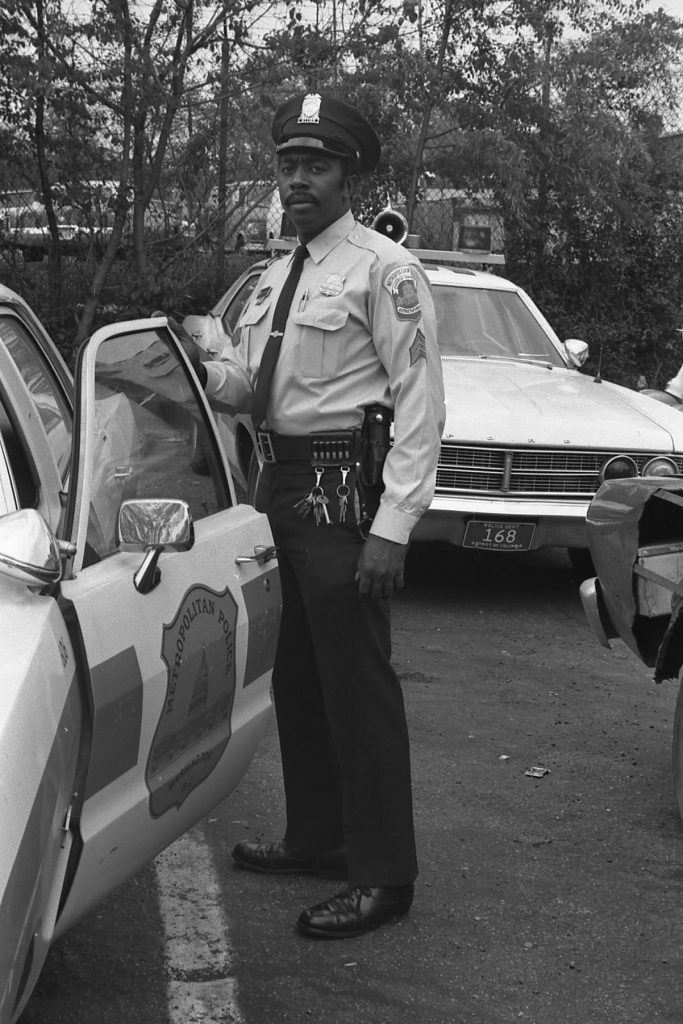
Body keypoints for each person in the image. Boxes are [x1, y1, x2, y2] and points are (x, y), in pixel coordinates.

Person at [184, 92, 445, 938]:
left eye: (316, 166)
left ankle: (383, 877)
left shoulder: (382, 270)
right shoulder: (271, 276)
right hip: (277, 487)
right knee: (295, 675)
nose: (298, 180)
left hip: (340, 493)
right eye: (289, 165)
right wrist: (192, 360)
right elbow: (255, 394)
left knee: (357, 687)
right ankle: (318, 838)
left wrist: (391, 527)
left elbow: (419, 406)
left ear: (349, 176)